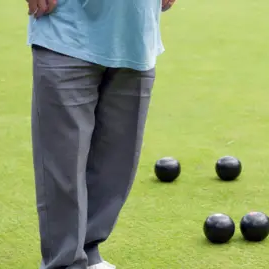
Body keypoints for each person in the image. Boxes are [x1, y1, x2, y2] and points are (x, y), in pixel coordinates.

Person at [26, 1, 175, 268]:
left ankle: (88, 249)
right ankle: (66, 262)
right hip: (65, 33)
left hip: (136, 36)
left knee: (116, 162)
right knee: (63, 164)